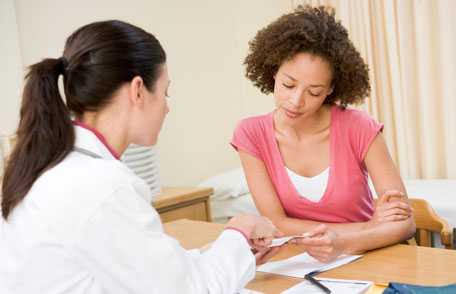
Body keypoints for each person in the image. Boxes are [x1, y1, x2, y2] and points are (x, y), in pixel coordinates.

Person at [0, 20, 282, 294]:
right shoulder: (103, 187)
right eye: (164, 92)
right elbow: (192, 289)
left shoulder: (53, 166)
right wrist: (239, 232)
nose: (167, 108)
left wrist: (229, 254)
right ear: (137, 90)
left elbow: (153, 273)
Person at [231, 6, 416, 263]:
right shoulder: (250, 134)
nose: (296, 101)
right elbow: (276, 223)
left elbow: (404, 224)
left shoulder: (359, 127)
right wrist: (369, 228)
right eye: (288, 84)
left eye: (314, 92)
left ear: (331, 89)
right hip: (303, 263)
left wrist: (344, 243)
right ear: (273, 71)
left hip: (373, 258)